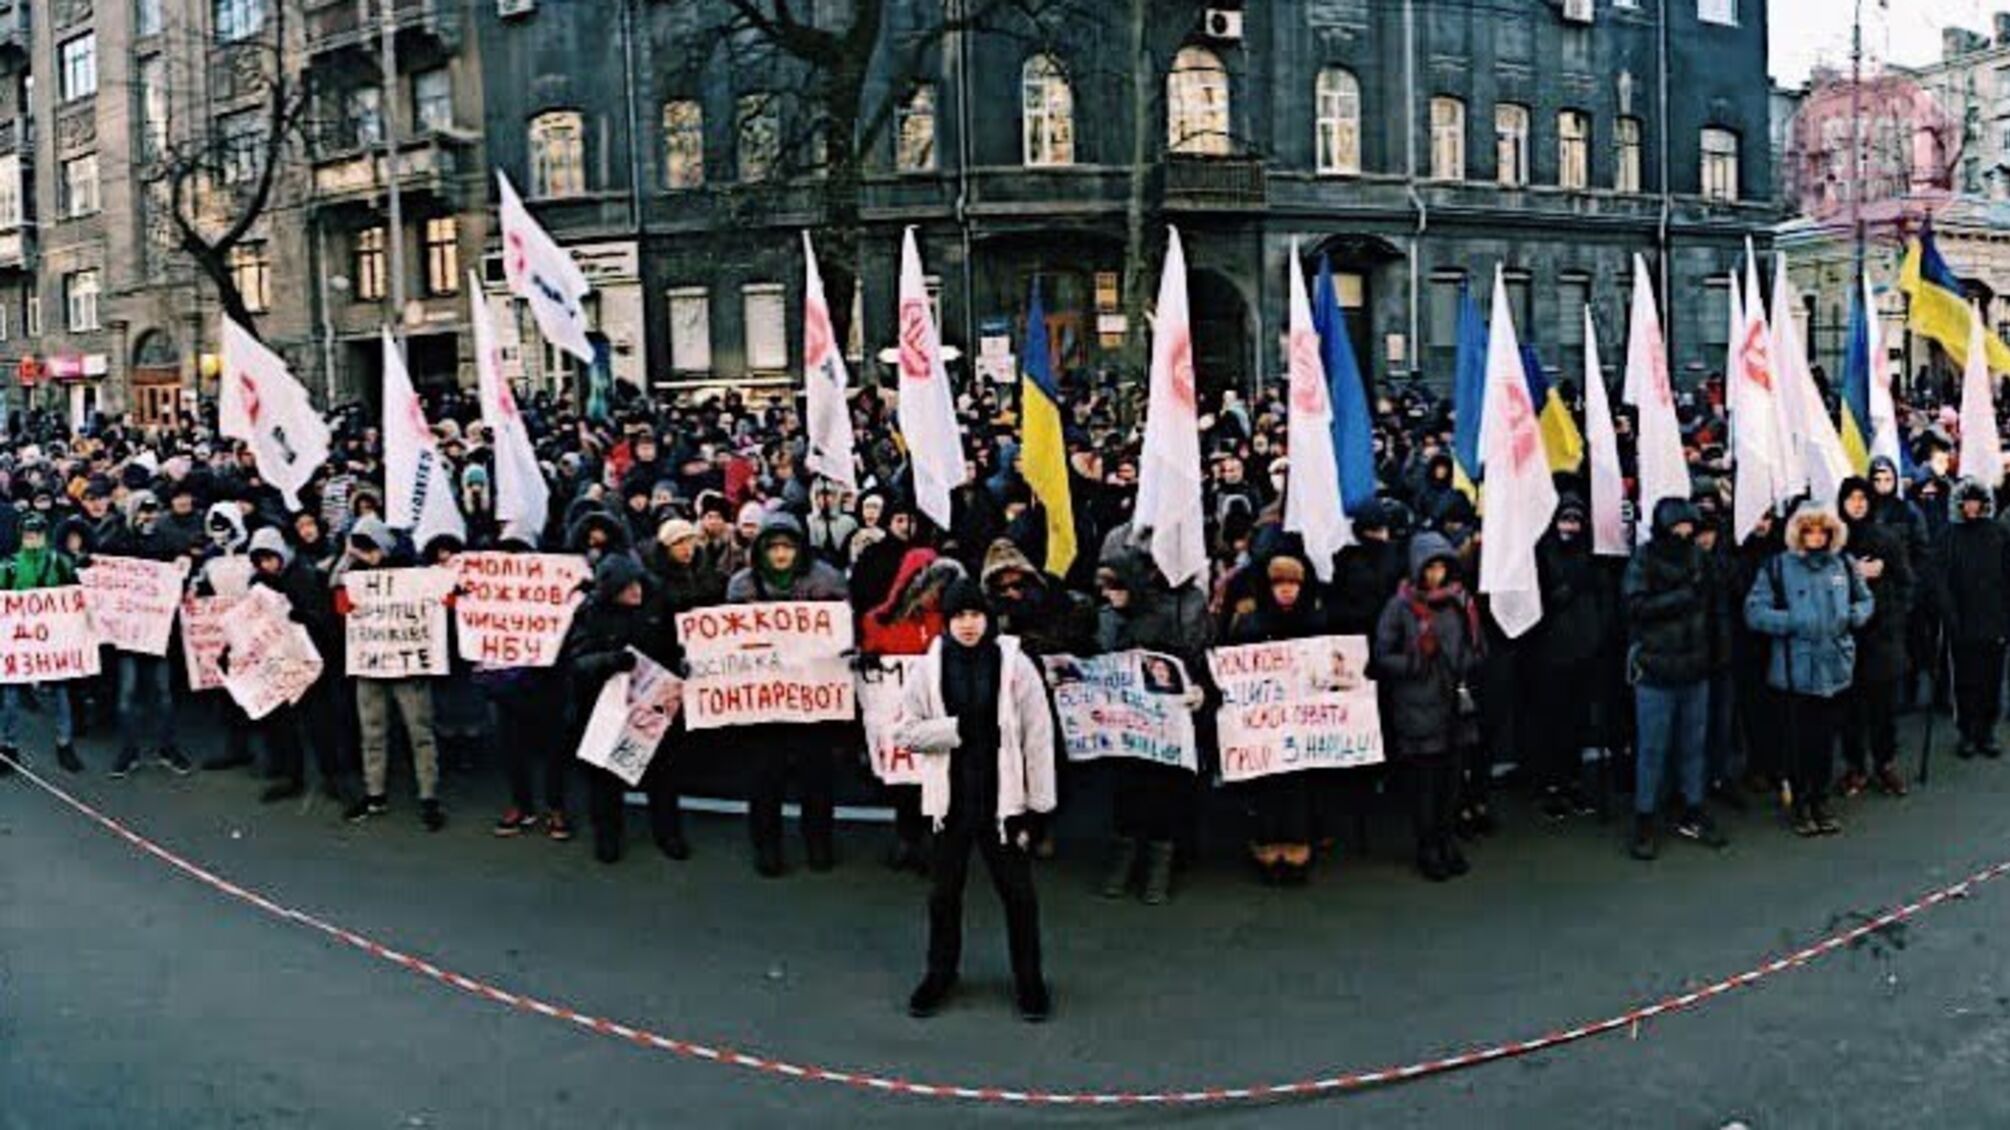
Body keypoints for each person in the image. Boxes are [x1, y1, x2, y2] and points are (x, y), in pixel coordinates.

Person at [895, 580, 1054, 1023]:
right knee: (943, 895)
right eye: (959, 616)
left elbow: (1038, 737)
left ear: (989, 618)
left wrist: (1039, 808)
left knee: (1019, 896)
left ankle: (1030, 979)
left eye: (976, 615)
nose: (968, 625)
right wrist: (952, 730)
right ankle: (939, 974)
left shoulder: (1016, 665)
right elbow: (905, 731)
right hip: (950, 804)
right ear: (947, 621)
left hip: (1003, 803)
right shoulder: (927, 669)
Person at [725, 511, 848, 876]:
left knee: (817, 777)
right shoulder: (742, 585)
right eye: (773, 547)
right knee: (765, 778)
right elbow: (727, 641)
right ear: (761, 549)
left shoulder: (826, 580)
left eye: (787, 547)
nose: (780, 554)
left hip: (811, 697)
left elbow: (842, 630)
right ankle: (767, 847)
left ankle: (819, 843)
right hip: (765, 700)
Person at [1091, 539, 1208, 903]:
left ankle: (1158, 866)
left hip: (1159, 727)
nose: (1111, 594)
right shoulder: (1105, 620)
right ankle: (1124, 861)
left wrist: (1198, 690)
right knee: (1126, 794)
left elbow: (1188, 664)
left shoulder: (1161, 620)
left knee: (1162, 796)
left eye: (1117, 587)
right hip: (1123, 728)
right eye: (1107, 588)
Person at [1746, 504, 1873, 836]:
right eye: (1809, 530)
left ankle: (1820, 799)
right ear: (1798, 533)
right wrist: (1791, 621)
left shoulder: (1843, 564)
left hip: (1835, 667)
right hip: (1796, 670)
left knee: (1825, 740)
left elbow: (1865, 600)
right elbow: (1754, 611)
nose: (1816, 537)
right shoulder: (1777, 567)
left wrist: (1853, 617)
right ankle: (1801, 803)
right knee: (1798, 741)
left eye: (1822, 530)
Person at [1370, 532, 1483, 881]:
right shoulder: (1400, 606)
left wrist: (1466, 660)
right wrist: (1416, 663)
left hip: (1454, 704)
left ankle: (1446, 840)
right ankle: (1427, 846)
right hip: (1417, 706)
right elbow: (1381, 656)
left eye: (1441, 567)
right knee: (1424, 785)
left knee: (1451, 783)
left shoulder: (1460, 602)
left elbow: (1479, 646)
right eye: (1430, 568)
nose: (1435, 575)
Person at [1621, 498, 1727, 860]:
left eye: (1689, 528)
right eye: (1678, 528)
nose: (1685, 534)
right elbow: (1635, 607)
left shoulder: (1699, 558)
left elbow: (1713, 606)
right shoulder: (1644, 559)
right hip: (1655, 670)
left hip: (1695, 667)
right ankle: (1645, 817)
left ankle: (1693, 808)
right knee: (1652, 748)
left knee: (1693, 745)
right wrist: (1682, 597)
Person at [565, 553, 688, 863]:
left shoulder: (659, 599)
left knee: (663, 776)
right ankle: (607, 837)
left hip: (655, 701)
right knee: (606, 780)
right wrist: (611, 660)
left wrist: (682, 670)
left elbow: (679, 643)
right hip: (608, 706)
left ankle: (668, 834)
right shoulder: (590, 612)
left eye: (637, 584)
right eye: (626, 589)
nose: (636, 592)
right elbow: (577, 662)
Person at [332, 516, 448, 831]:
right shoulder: (354, 575)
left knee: (419, 732)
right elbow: (339, 603)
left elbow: (443, 599)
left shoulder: (411, 571)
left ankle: (429, 796)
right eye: (361, 550)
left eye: (370, 550)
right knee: (372, 732)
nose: (367, 557)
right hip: (370, 665)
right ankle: (375, 793)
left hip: (407, 666)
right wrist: (347, 560)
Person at [857, 545, 966, 874]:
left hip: (938, 716)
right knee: (904, 784)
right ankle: (908, 838)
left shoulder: (952, 621)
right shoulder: (878, 619)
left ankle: (936, 844)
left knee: (938, 781)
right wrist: (869, 657)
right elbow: (869, 656)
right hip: (899, 719)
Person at [1222, 547, 1326, 884]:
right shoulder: (1250, 622)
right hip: (1263, 725)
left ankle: (1297, 847)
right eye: (1279, 583)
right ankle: (1268, 848)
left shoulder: (1316, 620)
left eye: (1293, 583)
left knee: (1298, 787)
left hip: (1301, 722)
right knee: (1267, 785)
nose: (1286, 589)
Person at [1527, 495, 1613, 819]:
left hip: (1584, 651)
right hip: (1550, 654)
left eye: (1576, 521)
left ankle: (1573, 782)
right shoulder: (1542, 553)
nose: (1570, 527)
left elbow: (1603, 599)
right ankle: (1551, 785)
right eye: (1565, 520)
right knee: (1551, 721)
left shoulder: (1592, 555)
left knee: (1577, 721)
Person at [100, 489, 193, 777]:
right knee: (126, 695)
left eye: (153, 510)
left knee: (164, 694)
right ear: (132, 513)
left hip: (157, 635)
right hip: (129, 637)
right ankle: (128, 753)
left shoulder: (166, 540)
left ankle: (168, 748)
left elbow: (182, 563)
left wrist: (184, 565)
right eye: (143, 511)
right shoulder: (118, 540)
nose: (148, 516)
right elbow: (101, 565)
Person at [1837, 477, 1913, 797]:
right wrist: (1853, 572)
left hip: (1882, 636)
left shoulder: (1886, 538)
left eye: (1862, 498)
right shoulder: (1834, 540)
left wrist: (1892, 613)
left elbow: (1907, 581)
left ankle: (1885, 764)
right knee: (1850, 709)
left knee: (1884, 708)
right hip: (1845, 637)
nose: (1857, 504)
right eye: (1851, 498)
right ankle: (1855, 766)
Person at [1933, 478, 2010, 758]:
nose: (1972, 507)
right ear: (1959, 503)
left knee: (1992, 678)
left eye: (1977, 501)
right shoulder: (1948, 535)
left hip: (1995, 618)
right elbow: (1939, 578)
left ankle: (1987, 731)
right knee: (1965, 680)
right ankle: (1966, 731)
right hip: (1961, 620)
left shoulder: (1998, 533)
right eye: (1967, 501)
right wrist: (1948, 613)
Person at [0, 513, 81, 774]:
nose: (32, 539)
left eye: (37, 534)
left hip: (52, 643)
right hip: (19, 644)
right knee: (11, 699)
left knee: (60, 695)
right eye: (28, 534)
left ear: (45, 535)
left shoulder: (61, 563)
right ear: (21, 536)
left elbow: (75, 596)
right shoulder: (9, 567)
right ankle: (9, 747)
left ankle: (65, 744)